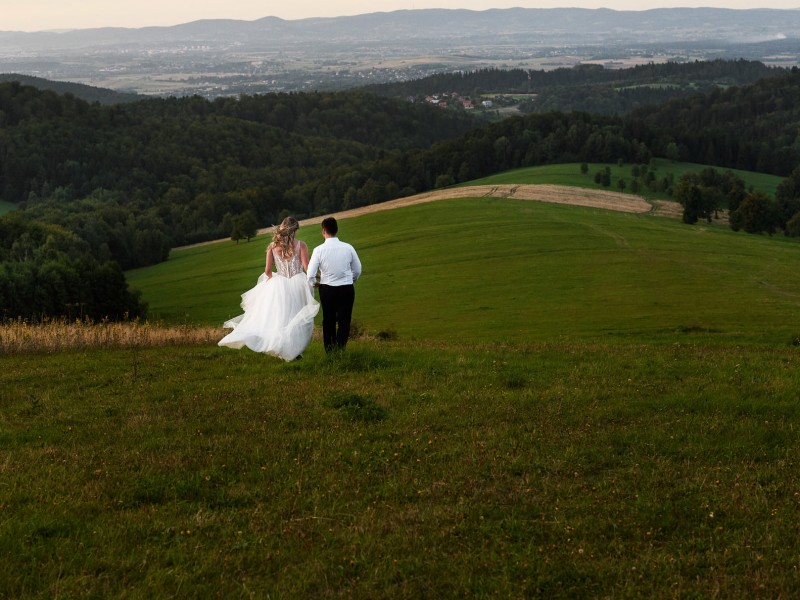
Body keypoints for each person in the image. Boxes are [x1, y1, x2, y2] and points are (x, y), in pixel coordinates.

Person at [218, 216, 319, 361]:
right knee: (298, 318)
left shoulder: (272, 247)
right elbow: (306, 267)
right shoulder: (301, 245)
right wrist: (319, 276)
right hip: (298, 283)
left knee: (281, 318)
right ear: (294, 230)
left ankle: (285, 349)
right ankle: (294, 350)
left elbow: (267, 271)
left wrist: (274, 281)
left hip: (280, 285)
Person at [307, 217, 362, 353]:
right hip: (346, 288)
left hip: (327, 289)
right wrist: (351, 280)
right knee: (344, 321)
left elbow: (310, 274)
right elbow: (358, 269)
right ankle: (341, 349)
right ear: (336, 230)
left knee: (329, 320)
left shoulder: (318, 250)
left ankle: (330, 352)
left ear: (323, 231)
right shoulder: (348, 247)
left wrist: (314, 283)